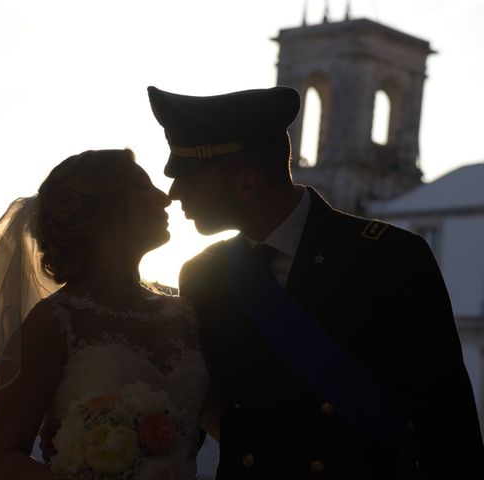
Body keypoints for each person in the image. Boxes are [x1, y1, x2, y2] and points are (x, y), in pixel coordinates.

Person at [145, 85, 484, 479]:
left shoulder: (391, 257)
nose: (173, 193)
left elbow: (447, 419)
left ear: (247, 184)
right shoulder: (203, 274)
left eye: (188, 178)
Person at [0, 149, 209, 479]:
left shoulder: (186, 314)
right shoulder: (52, 323)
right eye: (141, 186)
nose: (164, 198)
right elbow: (0, 461)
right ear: (101, 207)